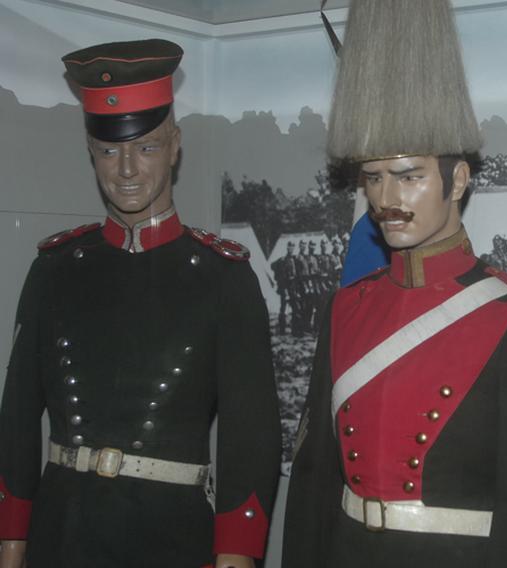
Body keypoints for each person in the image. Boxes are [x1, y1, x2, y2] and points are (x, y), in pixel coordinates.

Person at [282, 1, 507, 566]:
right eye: (372, 178)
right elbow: (316, 481)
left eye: (410, 177)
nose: (387, 199)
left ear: (458, 179)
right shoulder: (345, 309)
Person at [0, 39, 281, 568]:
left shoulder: (224, 278)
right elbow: (15, 423)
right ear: (91, 149)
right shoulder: (55, 269)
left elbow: (251, 441)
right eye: (109, 150)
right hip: (60, 539)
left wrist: (236, 558)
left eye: (146, 147)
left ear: (175, 146)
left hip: (169, 539)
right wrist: (11, 548)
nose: (126, 169)